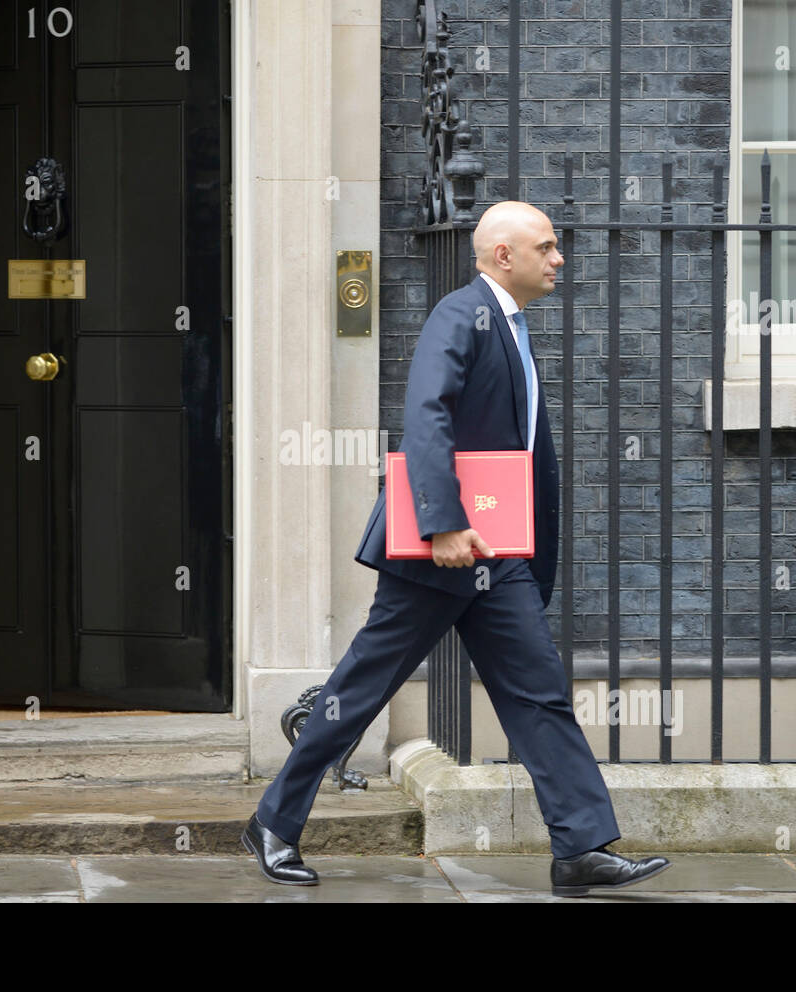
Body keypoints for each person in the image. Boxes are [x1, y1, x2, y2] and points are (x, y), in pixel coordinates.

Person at [241, 200, 672, 897]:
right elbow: (426, 414)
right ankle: (273, 824)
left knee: (539, 695)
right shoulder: (461, 314)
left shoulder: (512, 326)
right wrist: (441, 522)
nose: (558, 258)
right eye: (547, 246)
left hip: (496, 557)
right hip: (440, 553)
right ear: (504, 254)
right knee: (359, 691)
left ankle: (581, 848)